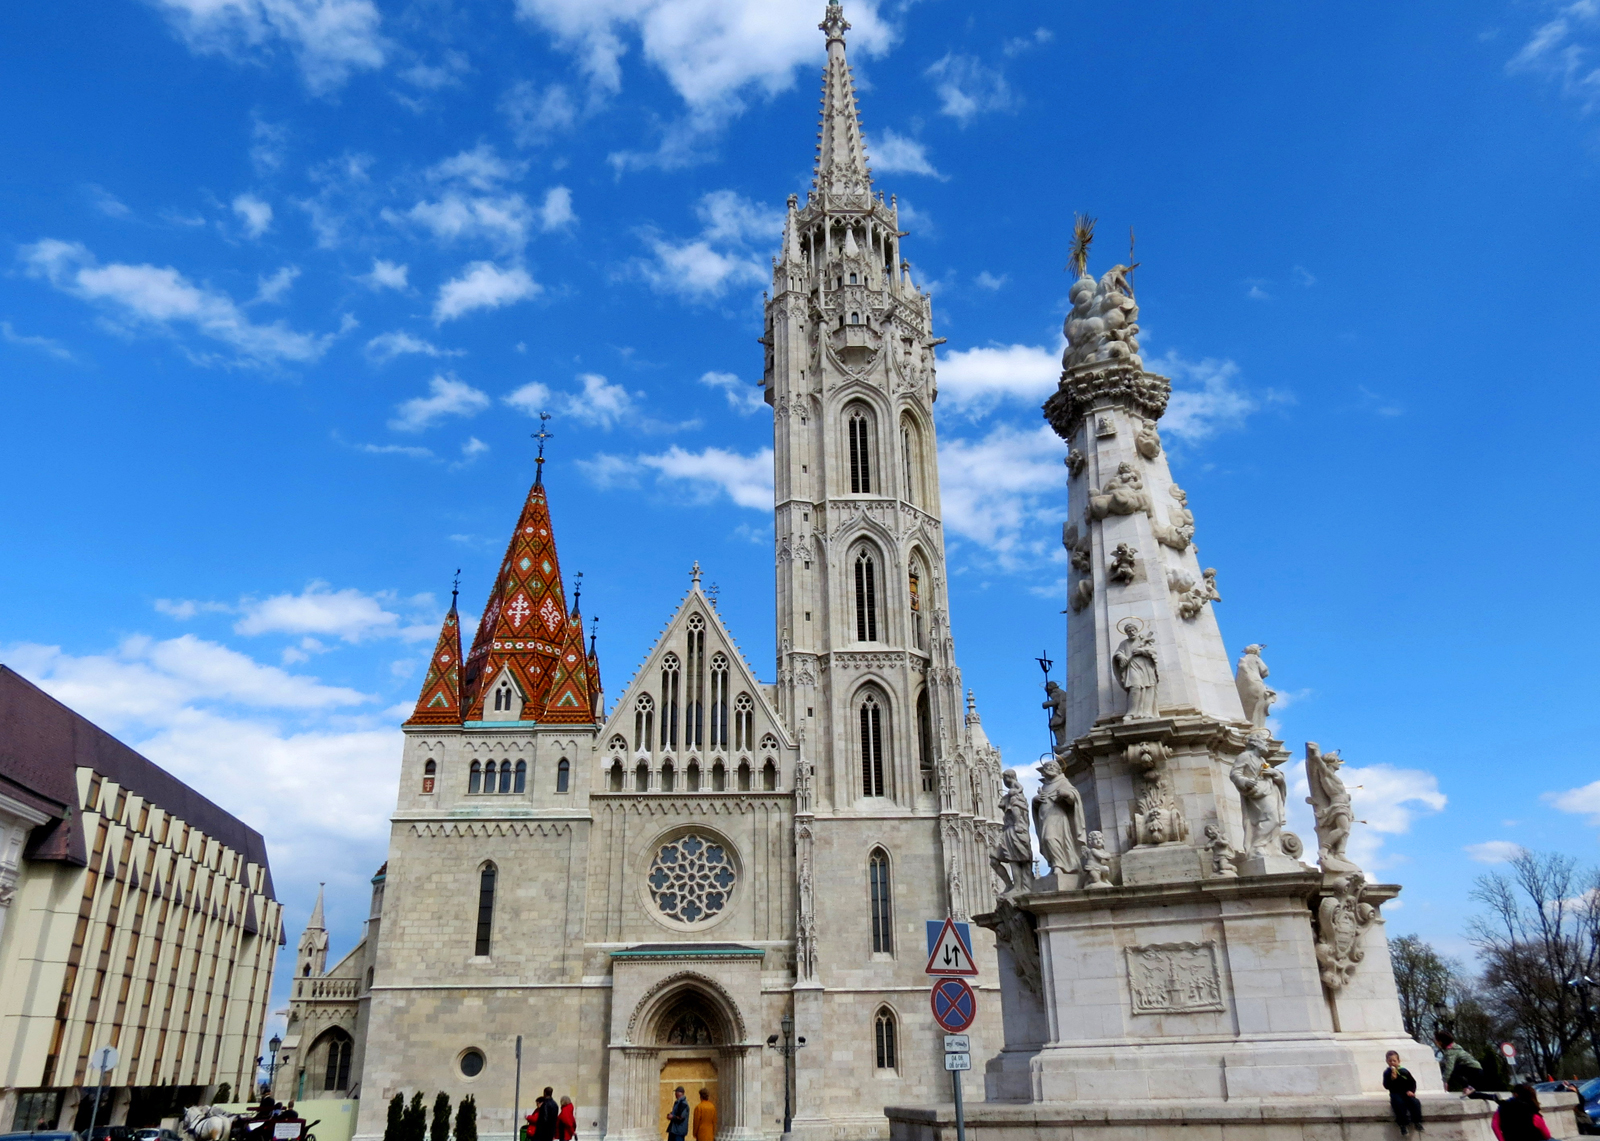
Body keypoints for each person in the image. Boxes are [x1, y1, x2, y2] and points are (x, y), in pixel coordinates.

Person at [1383, 1050, 1424, 1135]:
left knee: (1415, 1102)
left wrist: (1411, 1091)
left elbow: (1412, 1082)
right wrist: (1392, 1079)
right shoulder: (1387, 1073)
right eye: (1390, 1061)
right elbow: (1386, 1086)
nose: (1392, 1063)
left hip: (1406, 1092)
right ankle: (1403, 1125)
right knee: (1399, 1104)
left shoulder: (1404, 1071)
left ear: (1398, 1061)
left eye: (1394, 1061)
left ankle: (1417, 1122)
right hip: (1395, 1093)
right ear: (1387, 1062)